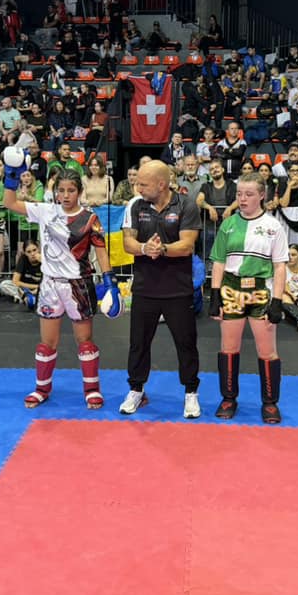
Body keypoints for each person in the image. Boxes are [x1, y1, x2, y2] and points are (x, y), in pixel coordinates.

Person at [2, 150, 118, 410]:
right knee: (47, 344)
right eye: (61, 190)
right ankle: (41, 389)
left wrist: (110, 282)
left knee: (85, 342)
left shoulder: (90, 218)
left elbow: (101, 251)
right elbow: (9, 203)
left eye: (71, 190)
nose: (65, 195)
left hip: (79, 284)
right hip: (50, 284)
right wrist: (11, 177)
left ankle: (92, 390)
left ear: (79, 191)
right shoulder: (45, 211)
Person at [120, 160, 202, 418]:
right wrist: (145, 248)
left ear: (161, 184)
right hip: (145, 287)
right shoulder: (136, 205)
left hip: (178, 288)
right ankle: (136, 389)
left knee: (186, 343)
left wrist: (163, 249)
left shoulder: (186, 205)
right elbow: (128, 242)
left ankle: (191, 393)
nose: (138, 188)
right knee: (138, 343)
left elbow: (187, 245)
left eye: (144, 184)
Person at [208, 172, 288, 423]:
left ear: (262, 195)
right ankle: (228, 398)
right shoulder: (228, 224)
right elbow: (218, 261)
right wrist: (214, 295)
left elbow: (280, 266)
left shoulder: (274, 226)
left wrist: (277, 301)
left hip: (261, 291)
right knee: (228, 348)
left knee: (267, 350)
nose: (242, 199)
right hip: (231, 290)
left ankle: (270, 402)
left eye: (249, 194)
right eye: (239, 194)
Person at [0, 240, 43, 306]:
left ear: (38, 249)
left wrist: (43, 262)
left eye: (34, 250)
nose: (32, 254)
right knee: (4, 284)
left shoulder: (45, 260)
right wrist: (36, 287)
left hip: (40, 289)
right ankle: (26, 297)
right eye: (29, 252)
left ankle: (24, 297)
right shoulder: (23, 259)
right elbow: (15, 281)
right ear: (25, 253)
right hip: (24, 288)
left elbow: (51, 281)